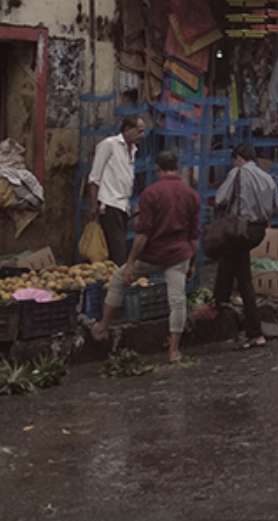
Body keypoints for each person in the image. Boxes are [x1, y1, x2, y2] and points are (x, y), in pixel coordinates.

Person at [90, 150, 201, 363]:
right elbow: (194, 235)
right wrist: (193, 263)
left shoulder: (151, 194)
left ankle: (102, 327)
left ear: (157, 169)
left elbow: (142, 235)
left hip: (153, 254)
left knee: (117, 281)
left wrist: (130, 263)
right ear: (177, 166)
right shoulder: (191, 195)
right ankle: (174, 350)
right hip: (179, 255)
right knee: (177, 301)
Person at [212, 142, 278, 349]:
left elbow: (220, 198)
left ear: (239, 159)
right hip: (258, 230)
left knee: (244, 280)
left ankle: (254, 332)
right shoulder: (267, 178)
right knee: (231, 259)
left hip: (240, 229)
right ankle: (220, 300)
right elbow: (277, 209)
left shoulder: (238, 173)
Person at [86, 114, 147, 265]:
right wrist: (94, 205)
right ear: (127, 129)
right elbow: (94, 177)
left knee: (116, 248)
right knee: (117, 250)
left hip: (123, 205)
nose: (142, 135)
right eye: (139, 131)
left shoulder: (133, 149)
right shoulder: (109, 145)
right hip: (109, 203)